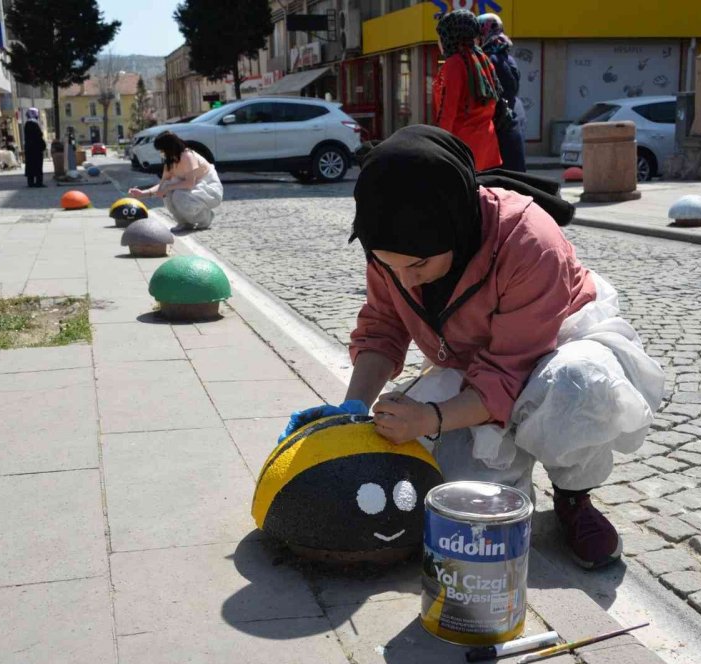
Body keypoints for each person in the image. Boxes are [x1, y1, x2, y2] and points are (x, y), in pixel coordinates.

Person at [281, 126, 664, 570]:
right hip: (469, 359)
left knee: (575, 392)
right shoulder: (390, 249)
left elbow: (510, 370)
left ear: (457, 227)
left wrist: (432, 417)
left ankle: (574, 495)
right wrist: (351, 408)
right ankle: (511, 471)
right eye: (389, 266)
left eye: (419, 264)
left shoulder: (528, 240)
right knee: (457, 492)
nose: (404, 280)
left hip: (556, 349)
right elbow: (383, 327)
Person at [433, 10, 502, 171]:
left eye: (441, 36)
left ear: (451, 36)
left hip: (461, 150)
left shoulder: (454, 64)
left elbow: (447, 112)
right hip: (487, 147)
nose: (439, 42)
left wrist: (437, 147)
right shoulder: (483, 60)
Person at [128, 131, 224, 230]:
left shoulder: (187, 156)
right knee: (169, 194)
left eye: (162, 150)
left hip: (209, 189)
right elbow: (163, 184)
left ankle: (205, 218)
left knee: (178, 195)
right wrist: (144, 193)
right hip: (193, 189)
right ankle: (184, 222)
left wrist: (168, 187)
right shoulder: (171, 161)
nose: (161, 153)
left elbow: (189, 183)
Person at [478, 13, 526, 172]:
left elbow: (498, 94)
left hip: (501, 131)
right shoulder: (506, 57)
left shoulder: (491, 60)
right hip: (512, 125)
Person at [23, 108, 46, 187]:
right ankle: (39, 182)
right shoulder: (34, 123)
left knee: (30, 165)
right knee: (38, 165)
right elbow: (39, 135)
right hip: (36, 148)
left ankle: (31, 182)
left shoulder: (27, 124)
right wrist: (43, 145)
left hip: (29, 148)